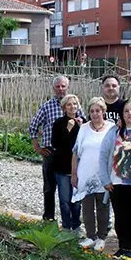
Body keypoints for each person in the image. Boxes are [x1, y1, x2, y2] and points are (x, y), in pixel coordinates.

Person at [99, 100, 131, 258]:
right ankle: (123, 246)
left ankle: (129, 247)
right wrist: (105, 180)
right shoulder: (114, 132)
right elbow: (103, 155)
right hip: (117, 182)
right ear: (122, 114)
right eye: (126, 111)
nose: (130, 113)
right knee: (120, 216)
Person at [29, 76, 84, 221]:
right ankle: (49, 218)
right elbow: (33, 127)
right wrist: (38, 148)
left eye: (63, 86)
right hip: (51, 152)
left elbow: (87, 124)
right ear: (54, 88)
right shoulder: (47, 106)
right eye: (58, 86)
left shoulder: (76, 107)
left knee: (71, 188)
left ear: (68, 86)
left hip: (72, 155)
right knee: (49, 187)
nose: (61, 89)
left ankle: (72, 221)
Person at [72, 97, 116, 251]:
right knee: (87, 208)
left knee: (103, 207)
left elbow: (116, 152)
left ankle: (102, 237)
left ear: (103, 111)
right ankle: (90, 236)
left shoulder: (112, 128)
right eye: (92, 111)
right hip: (85, 174)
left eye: (98, 110)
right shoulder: (83, 128)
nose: (95, 114)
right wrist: (74, 174)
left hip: (103, 175)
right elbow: (76, 152)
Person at [51, 94, 83, 232]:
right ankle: (66, 226)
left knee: (76, 201)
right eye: (69, 104)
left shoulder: (83, 122)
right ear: (64, 107)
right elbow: (56, 144)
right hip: (62, 167)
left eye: (75, 104)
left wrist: (80, 127)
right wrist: (68, 130)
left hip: (78, 167)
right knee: (64, 200)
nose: (72, 107)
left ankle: (76, 226)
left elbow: (83, 144)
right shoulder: (59, 123)